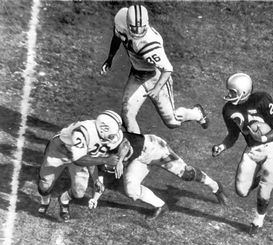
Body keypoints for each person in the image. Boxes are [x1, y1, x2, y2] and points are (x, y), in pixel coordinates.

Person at [75, 110, 228, 220]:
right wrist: (96, 196)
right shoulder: (95, 141)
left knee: (186, 174)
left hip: (154, 149)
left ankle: (215, 186)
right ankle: (161, 206)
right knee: (131, 190)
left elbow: (125, 145)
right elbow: (98, 173)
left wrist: (120, 160)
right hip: (138, 160)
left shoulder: (113, 137)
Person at [100, 4, 209, 134]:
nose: (137, 32)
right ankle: (137, 150)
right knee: (127, 115)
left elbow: (168, 69)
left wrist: (157, 88)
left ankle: (196, 113)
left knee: (172, 122)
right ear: (128, 24)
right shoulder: (121, 20)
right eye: (133, 28)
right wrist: (110, 57)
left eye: (140, 28)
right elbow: (117, 36)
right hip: (137, 75)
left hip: (155, 77)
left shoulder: (150, 43)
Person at [211, 73, 273, 235]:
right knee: (241, 191)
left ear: (243, 91)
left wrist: (264, 137)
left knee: (264, 190)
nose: (229, 95)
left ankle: (257, 222)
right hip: (252, 149)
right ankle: (271, 178)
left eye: (233, 92)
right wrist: (222, 146)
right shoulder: (229, 109)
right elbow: (233, 135)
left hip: (272, 145)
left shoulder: (262, 99)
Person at [37, 110, 129, 221]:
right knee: (45, 184)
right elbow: (78, 160)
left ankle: (63, 200)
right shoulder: (83, 131)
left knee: (79, 192)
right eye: (111, 135)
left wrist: (119, 162)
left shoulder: (111, 134)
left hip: (82, 155)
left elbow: (125, 145)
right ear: (103, 128)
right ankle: (45, 201)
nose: (113, 138)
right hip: (60, 149)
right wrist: (106, 160)